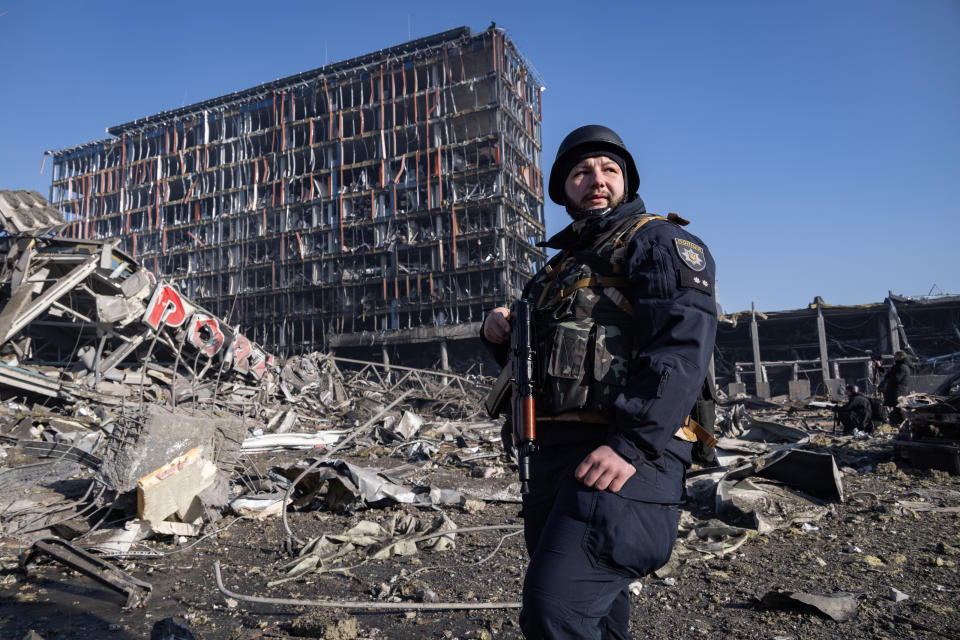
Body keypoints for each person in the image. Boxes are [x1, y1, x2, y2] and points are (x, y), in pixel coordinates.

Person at [481, 125, 717, 639]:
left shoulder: (657, 240)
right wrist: (499, 333)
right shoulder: (554, 271)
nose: (596, 180)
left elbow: (679, 350)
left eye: (610, 169)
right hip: (555, 454)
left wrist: (630, 444)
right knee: (597, 617)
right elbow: (547, 359)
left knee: (554, 609)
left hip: (626, 454)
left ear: (626, 182)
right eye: (581, 171)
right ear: (563, 188)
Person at [879, 350, 912, 424]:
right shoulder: (898, 367)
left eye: (896, 356)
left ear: (901, 357)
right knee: (896, 411)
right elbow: (890, 375)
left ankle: (900, 426)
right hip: (895, 392)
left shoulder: (902, 367)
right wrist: (880, 368)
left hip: (898, 393)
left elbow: (896, 378)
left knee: (898, 411)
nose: (894, 358)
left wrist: (887, 378)